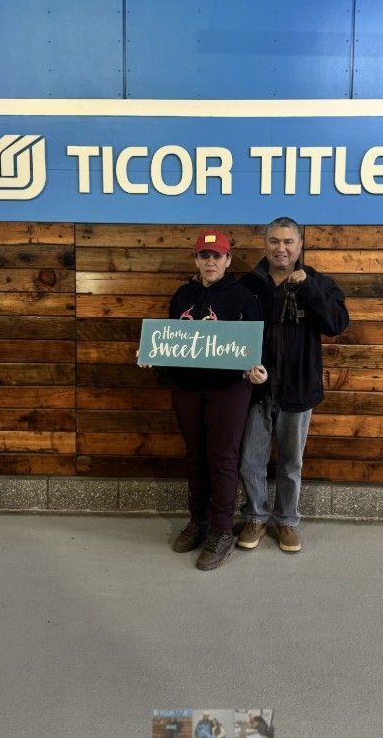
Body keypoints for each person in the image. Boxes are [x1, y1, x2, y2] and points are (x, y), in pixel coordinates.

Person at [237, 217, 349, 552]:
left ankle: (286, 520)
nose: (281, 248)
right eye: (274, 241)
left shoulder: (319, 283)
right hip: (256, 390)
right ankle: (255, 516)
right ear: (265, 244)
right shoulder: (247, 285)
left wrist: (309, 288)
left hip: (299, 389)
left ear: (300, 246)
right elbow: (231, 337)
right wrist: (244, 369)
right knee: (249, 461)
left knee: (290, 463)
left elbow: (337, 324)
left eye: (288, 242)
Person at [167, 230, 267, 571]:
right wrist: (153, 353)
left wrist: (258, 371)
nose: (211, 262)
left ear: (228, 260)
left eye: (217, 256)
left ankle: (223, 531)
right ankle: (199, 522)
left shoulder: (243, 297)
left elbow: (255, 347)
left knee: (222, 458)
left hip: (229, 390)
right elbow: (170, 339)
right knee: (195, 455)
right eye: (204, 256)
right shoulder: (182, 295)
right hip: (187, 389)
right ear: (197, 259)